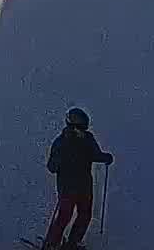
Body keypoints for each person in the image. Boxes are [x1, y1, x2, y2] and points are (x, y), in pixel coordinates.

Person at [41, 106, 112, 250]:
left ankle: (71, 243)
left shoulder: (86, 138)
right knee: (65, 215)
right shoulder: (62, 142)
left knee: (84, 214)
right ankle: (51, 245)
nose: (80, 132)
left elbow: (95, 154)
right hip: (69, 186)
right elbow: (52, 167)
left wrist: (106, 158)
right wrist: (60, 160)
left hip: (83, 184)